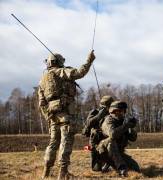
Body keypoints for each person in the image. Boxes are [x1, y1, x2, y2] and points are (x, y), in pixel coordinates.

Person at [38, 50, 95, 179]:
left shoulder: (42, 80)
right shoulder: (61, 71)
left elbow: (41, 103)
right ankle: (62, 173)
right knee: (66, 142)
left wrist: (49, 116)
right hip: (66, 114)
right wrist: (89, 60)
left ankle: (45, 172)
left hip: (53, 116)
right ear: (58, 62)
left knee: (53, 143)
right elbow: (79, 73)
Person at [96, 101, 140, 177]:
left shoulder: (123, 122)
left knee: (136, 168)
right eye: (119, 111)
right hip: (103, 152)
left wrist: (131, 127)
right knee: (110, 141)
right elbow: (113, 134)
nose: (121, 113)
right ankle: (121, 168)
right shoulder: (108, 120)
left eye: (123, 111)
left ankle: (110, 164)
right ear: (113, 111)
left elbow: (133, 138)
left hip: (118, 153)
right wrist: (126, 126)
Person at [82, 95, 114, 171]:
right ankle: (102, 164)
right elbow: (89, 123)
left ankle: (109, 163)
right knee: (96, 168)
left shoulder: (111, 115)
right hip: (95, 139)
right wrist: (99, 116)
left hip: (106, 139)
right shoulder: (95, 112)